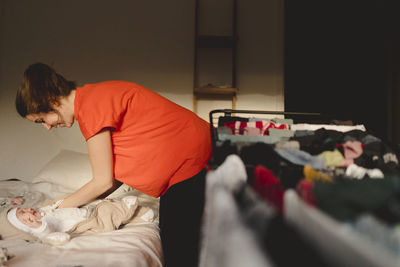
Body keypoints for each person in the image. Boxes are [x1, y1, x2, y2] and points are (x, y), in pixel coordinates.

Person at [15, 63, 212, 266]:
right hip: (191, 160)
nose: (47, 127)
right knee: (176, 241)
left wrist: (54, 209)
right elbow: (111, 179)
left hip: (193, 161)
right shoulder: (94, 97)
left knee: (177, 250)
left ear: (51, 100)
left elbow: (103, 182)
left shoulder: (90, 107)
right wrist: (59, 202)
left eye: (41, 120)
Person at [1, 195, 153, 243]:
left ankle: (139, 215)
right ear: (23, 226)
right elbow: (46, 235)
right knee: (107, 214)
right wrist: (37, 226)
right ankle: (129, 210)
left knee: (106, 204)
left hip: (87, 212)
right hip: (84, 225)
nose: (29, 209)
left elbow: (57, 205)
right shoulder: (39, 229)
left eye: (24, 208)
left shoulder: (43, 211)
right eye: (22, 213)